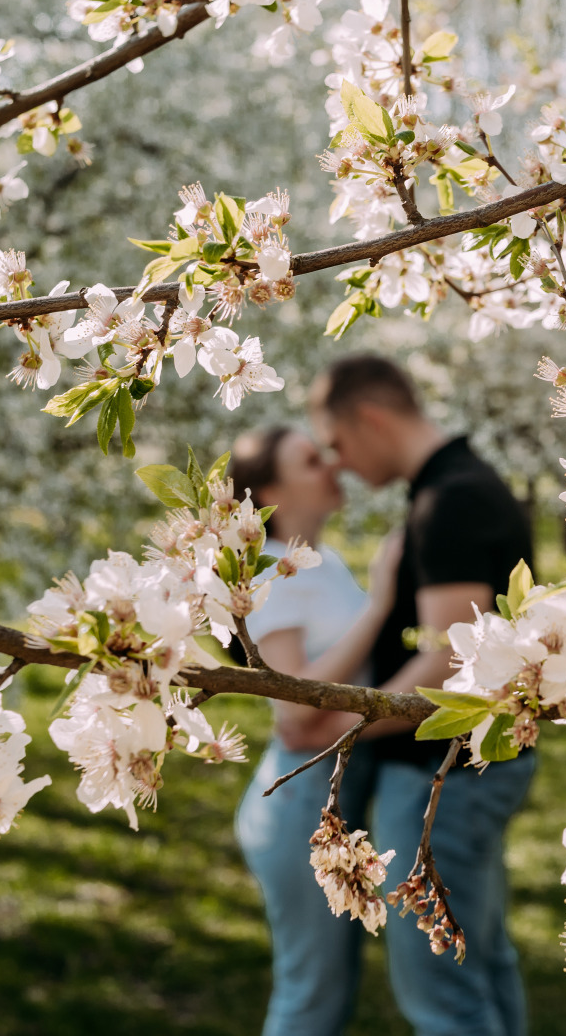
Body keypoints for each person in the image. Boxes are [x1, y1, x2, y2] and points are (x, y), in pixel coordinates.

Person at [309, 354, 538, 1036]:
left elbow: (446, 663)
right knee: (483, 965)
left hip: (444, 781)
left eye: (338, 443)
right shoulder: (455, 486)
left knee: (442, 996)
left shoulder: (451, 500)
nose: (339, 464)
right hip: (471, 770)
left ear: (371, 417)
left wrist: (341, 729)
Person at [230, 425, 400, 1036]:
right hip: (299, 803)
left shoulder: (317, 562)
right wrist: (381, 603)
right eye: (310, 459)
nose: (332, 463)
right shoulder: (271, 571)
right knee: (311, 998)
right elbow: (295, 709)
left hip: (324, 800)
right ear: (271, 489)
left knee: (327, 992)